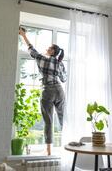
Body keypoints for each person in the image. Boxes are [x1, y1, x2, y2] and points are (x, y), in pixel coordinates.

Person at [19, 27, 67, 155]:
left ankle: (49, 150)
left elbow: (31, 49)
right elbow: (64, 79)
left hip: (48, 91)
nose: (46, 49)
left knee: (48, 120)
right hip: (59, 90)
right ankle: (68, 145)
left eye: (48, 48)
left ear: (52, 51)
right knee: (63, 118)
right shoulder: (60, 63)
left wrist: (23, 35)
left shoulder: (43, 59)